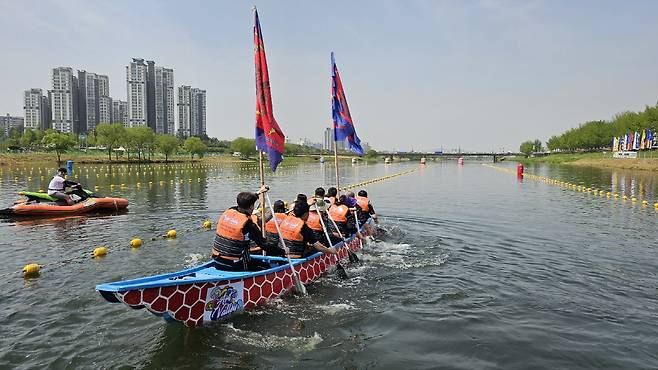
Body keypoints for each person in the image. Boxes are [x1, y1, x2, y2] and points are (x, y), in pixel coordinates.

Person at [212, 186, 285, 271]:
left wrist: (259, 193)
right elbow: (265, 246)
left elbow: (243, 202)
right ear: (251, 207)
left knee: (253, 260)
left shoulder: (229, 211)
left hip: (217, 260)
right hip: (234, 265)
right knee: (267, 267)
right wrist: (283, 251)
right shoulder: (248, 225)